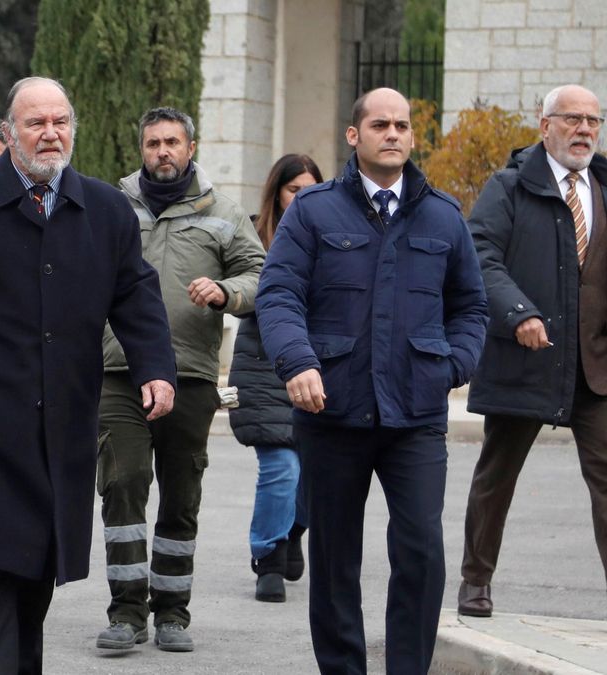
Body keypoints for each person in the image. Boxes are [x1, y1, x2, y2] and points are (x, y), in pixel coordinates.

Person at [0, 76, 177, 674]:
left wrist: (156, 368)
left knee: (38, 566)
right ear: (11, 130)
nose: (50, 134)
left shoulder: (104, 208)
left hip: (67, 419)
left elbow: (137, 296)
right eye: (35, 123)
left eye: (60, 122)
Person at [255, 87, 487, 674]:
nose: (393, 133)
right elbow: (279, 294)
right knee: (335, 561)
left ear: (412, 137)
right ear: (354, 136)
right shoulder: (313, 211)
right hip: (332, 410)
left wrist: (452, 365)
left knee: (421, 552)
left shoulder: (443, 215)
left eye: (402, 125)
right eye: (380, 124)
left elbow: (471, 307)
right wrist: (298, 361)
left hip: (415, 414)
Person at [94, 106, 266, 653]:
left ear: (191, 147)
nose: (162, 151)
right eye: (152, 143)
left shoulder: (224, 212)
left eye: (172, 142)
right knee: (122, 483)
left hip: (191, 375)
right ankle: (126, 612)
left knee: (181, 494)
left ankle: (172, 613)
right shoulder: (112, 207)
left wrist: (226, 293)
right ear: (140, 150)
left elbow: (262, 274)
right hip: (119, 371)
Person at [457, 84, 607, 618]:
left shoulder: (605, 187)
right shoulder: (510, 187)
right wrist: (519, 312)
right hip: (527, 356)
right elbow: (479, 254)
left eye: (593, 120)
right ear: (545, 127)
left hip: (594, 364)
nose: (585, 129)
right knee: (497, 475)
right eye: (572, 119)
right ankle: (475, 581)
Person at [228, 153, 322, 603]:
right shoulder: (253, 237)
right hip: (264, 367)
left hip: (318, 365)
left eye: (310, 189)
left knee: (312, 469)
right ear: (277, 194)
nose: (301, 197)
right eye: (293, 189)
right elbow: (244, 293)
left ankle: (293, 531)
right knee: (281, 466)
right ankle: (267, 556)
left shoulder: (335, 234)